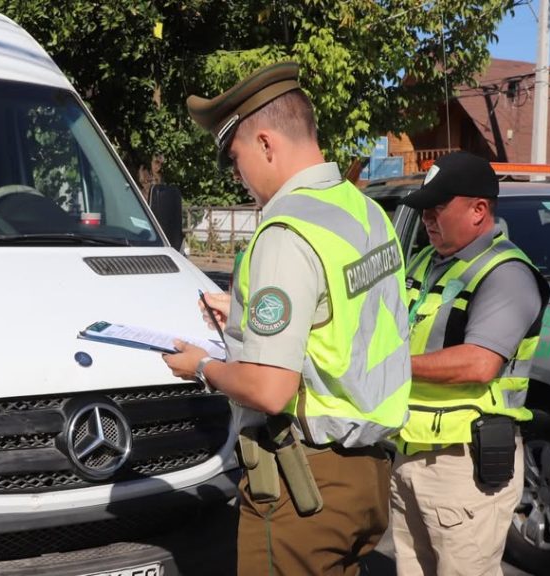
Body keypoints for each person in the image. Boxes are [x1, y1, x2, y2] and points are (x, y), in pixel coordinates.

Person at [162, 61, 411, 576]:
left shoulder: (284, 232)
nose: (239, 176)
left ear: (267, 144)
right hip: (369, 473)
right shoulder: (365, 212)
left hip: (306, 486)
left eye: (236, 159)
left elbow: (270, 389)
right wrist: (244, 315)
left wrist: (202, 367)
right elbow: (345, 319)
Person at [389, 151, 550, 576]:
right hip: (410, 453)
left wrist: (387, 365)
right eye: (424, 208)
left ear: (479, 209)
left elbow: (480, 364)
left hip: (463, 467)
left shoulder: (505, 273)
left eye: (438, 207)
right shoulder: (426, 263)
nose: (427, 217)